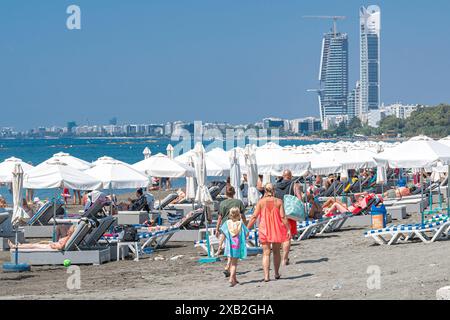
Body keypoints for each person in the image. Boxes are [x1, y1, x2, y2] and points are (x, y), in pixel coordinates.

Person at [247, 184, 291, 282]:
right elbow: (283, 217)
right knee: (276, 252)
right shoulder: (279, 201)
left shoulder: (260, 202)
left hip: (264, 229)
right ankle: (276, 273)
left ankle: (266, 276)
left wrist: (247, 229)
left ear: (265, 191)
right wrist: (288, 228)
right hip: (276, 228)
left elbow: (254, 217)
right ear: (274, 190)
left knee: (266, 253)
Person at [215, 186, 247, 277]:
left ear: (226, 194)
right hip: (236, 227)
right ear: (234, 193)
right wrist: (246, 226)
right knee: (233, 248)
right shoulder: (238, 202)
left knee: (229, 248)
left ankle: (227, 264)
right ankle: (228, 266)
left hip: (226, 227)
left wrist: (217, 229)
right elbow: (243, 216)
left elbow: (220, 217)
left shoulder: (222, 203)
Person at [216, 207, 249, 287]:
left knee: (231, 262)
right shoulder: (240, 224)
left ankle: (234, 278)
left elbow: (223, 235)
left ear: (230, 215)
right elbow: (247, 233)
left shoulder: (227, 223)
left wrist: (220, 245)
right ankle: (231, 279)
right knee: (234, 264)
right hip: (237, 246)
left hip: (229, 246)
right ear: (239, 216)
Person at [274, 169, 301, 266]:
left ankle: (284, 256)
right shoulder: (294, 184)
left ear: (283, 175)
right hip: (290, 212)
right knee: (288, 236)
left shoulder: (276, 185)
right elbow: (299, 198)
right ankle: (284, 259)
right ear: (290, 175)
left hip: (278, 212)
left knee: (282, 234)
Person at [9, 225, 75, 250]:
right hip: (52, 244)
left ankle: (15, 246)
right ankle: (20, 245)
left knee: (33, 246)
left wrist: (53, 246)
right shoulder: (69, 238)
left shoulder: (67, 238)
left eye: (69, 230)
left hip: (50, 247)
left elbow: (60, 247)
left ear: (70, 232)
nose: (67, 231)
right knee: (39, 242)